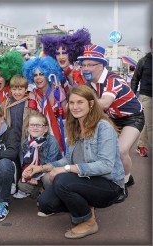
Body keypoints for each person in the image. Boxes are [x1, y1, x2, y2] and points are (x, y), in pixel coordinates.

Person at [25, 85, 125, 239]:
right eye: (71, 103)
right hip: (85, 179)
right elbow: (68, 159)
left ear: (91, 104)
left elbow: (105, 165)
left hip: (108, 184)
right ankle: (86, 205)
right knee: (45, 203)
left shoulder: (103, 127)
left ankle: (88, 221)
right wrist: (41, 168)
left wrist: (66, 169)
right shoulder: (74, 126)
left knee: (61, 181)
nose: (75, 107)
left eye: (80, 102)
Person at [77, 44, 144, 201]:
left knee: (121, 151)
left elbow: (105, 103)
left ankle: (124, 182)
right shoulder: (90, 84)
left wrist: (82, 101)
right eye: (83, 65)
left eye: (89, 65)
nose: (85, 68)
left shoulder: (113, 79)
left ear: (100, 66)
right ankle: (116, 177)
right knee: (101, 149)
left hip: (132, 117)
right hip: (112, 119)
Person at [22, 56, 66, 154]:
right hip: (39, 139)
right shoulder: (32, 94)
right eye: (35, 75)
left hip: (59, 137)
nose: (38, 78)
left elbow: (67, 114)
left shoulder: (58, 91)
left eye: (41, 74)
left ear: (48, 74)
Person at [14, 111, 62, 199]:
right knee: (22, 185)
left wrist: (35, 176)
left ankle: (54, 197)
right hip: (36, 173)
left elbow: (51, 165)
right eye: (32, 125)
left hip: (49, 171)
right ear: (27, 128)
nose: (35, 128)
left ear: (46, 128)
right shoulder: (26, 143)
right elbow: (26, 163)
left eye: (39, 125)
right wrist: (29, 176)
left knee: (48, 178)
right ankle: (41, 192)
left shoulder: (52, 142)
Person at [131, 38, 152, 157]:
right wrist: (132, 97)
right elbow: (135, 79)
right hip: (146, 96)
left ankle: (141, 145)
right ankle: (141, 145)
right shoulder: (143, 61)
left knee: (148, 123)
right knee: (150, 123)